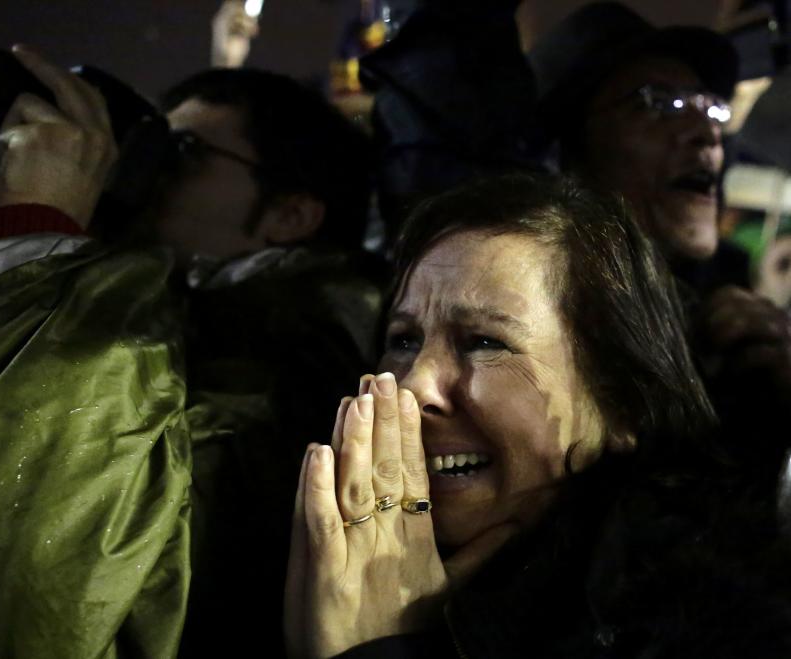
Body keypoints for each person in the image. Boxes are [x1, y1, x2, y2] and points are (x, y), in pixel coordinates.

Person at [0, 48, 379, 659]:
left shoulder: (298, 372)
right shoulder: (150, 305)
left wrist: (32, 239)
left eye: (185, 153)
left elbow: (33, 563)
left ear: (290, 214)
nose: (140, 165)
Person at [285, 173, 791, 658]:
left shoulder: (712, 625)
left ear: (621, 404)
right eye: (403, 340)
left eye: (484, 342)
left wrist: (379, 649)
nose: (412, 385)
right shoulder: (285, 558)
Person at [529, 2, 791, 490]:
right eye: (654, 102)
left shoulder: (728, 322)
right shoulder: (540, 328)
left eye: (709, 107)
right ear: (566, 153)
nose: (708, 134)